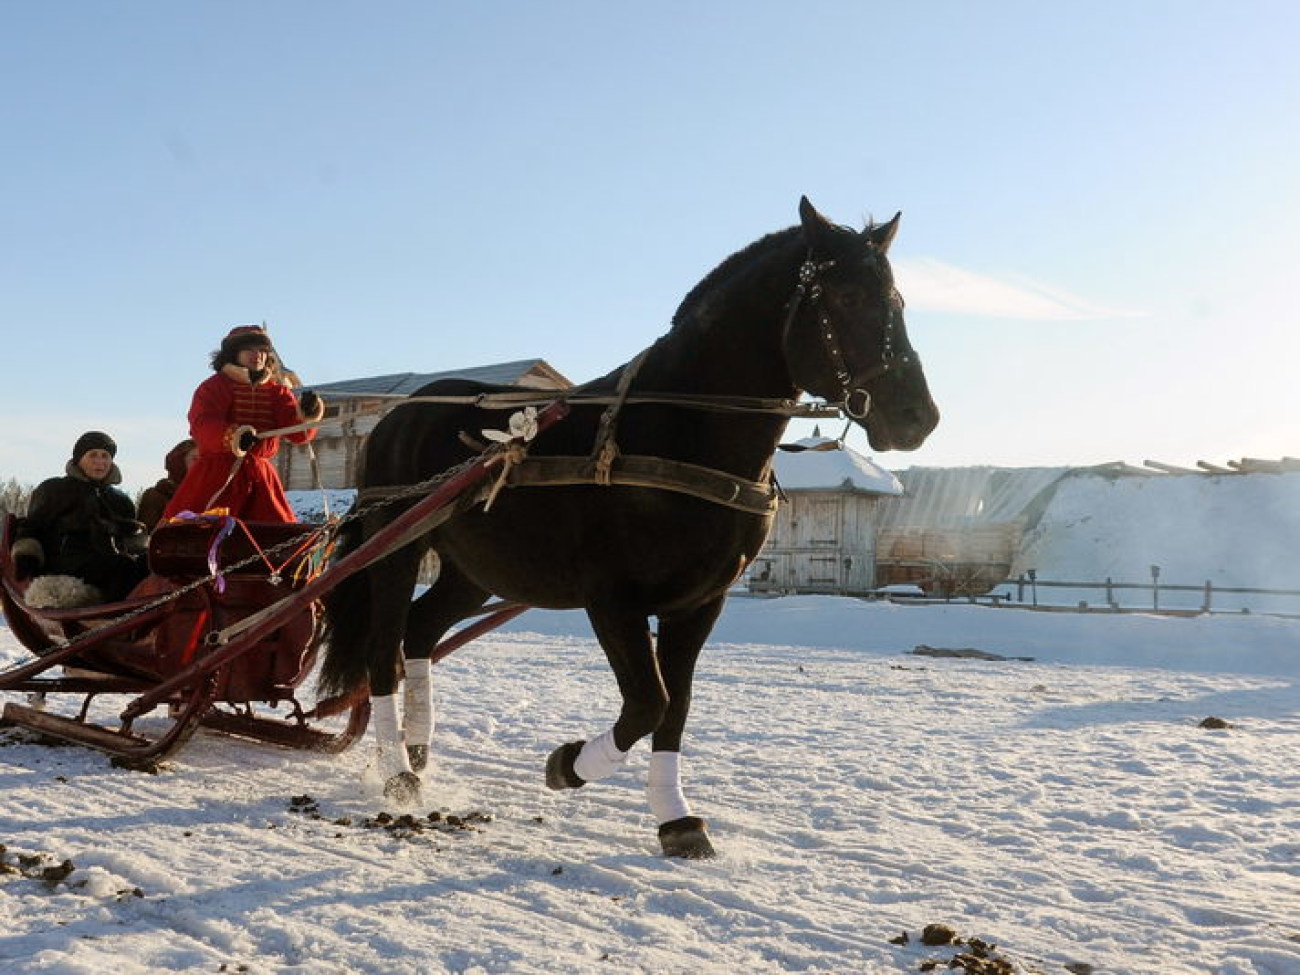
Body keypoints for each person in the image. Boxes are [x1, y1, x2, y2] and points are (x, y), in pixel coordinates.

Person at [161, 325, 325, 523]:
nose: (258, 355)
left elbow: (299, 434)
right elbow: (202, 424)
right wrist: (234, 436)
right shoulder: (214, 387)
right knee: (197, 530)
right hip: (216, 474)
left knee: (276, 535)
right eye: (250, 349)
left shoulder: (277, 392)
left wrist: (308, 413)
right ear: (234, 353)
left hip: (261, 478)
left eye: (262, 351)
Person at [12, 430, 150, 602]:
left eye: (105, 456)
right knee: (121, 566)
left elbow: (132, 543)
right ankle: (114, 616)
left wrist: (134, 539)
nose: (100, 462)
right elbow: (32, 527)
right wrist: (27, 556)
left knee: (148, 563)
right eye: (93, 455)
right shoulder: (54, 489)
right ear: (79, 459)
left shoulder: (120, 500)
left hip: (108, 560)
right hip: (65, 560)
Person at [137, 438, 198, 530]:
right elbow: (147, 536)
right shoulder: (156, 495)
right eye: (195, 459)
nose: (200, 464)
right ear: (180, 462)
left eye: (204, 459)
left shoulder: (210, 495)